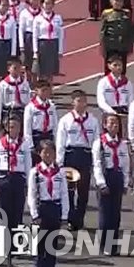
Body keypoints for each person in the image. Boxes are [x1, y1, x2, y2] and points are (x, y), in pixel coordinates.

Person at [28, 140, 69, 267]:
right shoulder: (35, 172)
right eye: (45, 152)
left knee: (52, 246)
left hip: (55, 208)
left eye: (51, 152)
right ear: (40, 154)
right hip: (42, 208)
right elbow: (32, 195)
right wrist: (34, 214)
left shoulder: (60, 173)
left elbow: (64, 194)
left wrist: (64, 215)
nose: (48, 155)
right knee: (40, 246)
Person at [55, 90, 99, 230]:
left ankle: (80, 219)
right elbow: (60, 141)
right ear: (73, 102)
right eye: (78, 101)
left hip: (85, 155)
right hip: (71, 155)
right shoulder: (66, 120)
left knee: (83, 190)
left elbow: (96, 141)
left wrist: (95, 160)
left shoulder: (92, 121)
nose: (81, 104)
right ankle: (70, 218)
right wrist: (60, 161)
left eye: (84, 101)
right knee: (69, 189)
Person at [92, 112, 129, 256]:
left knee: (115, 214)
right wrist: (101, 183)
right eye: (111, 123)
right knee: (105, 214)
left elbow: (125, 164)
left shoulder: (122, 144)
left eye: (116, 123)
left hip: (117, 176)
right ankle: (104, 244)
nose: (114, 126)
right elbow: (97, 164)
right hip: (105, 176)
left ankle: (113, 245)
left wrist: (125, 182)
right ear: (105, 125)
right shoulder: (99, 143)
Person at [0, 115, 31, 234]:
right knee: (4, 211)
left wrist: (28, 183)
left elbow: (28, 165)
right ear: (7, 128)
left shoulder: (24, 144)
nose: (14, 130)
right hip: (4, 178)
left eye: (17, 127)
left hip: (18, 178)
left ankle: (15, 238)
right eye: (11, 127)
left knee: (17, 211)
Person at [0, 59, 30, 129]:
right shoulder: (4, 84)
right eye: (15, 68)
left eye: (19, 68)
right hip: (8, 112)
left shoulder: (25, 83)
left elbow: (28, 101)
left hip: (22, 111)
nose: (17, 71)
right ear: (9, 69)